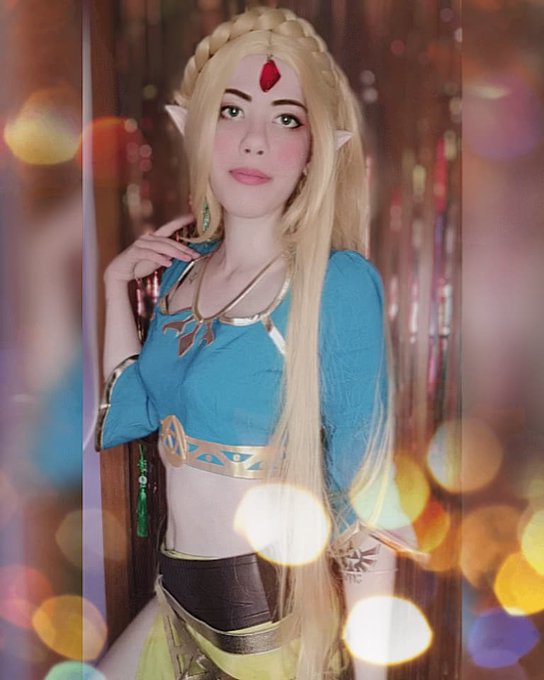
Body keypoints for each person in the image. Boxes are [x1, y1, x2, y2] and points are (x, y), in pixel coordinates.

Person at [95, 6, 411, 679]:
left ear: (317, 149)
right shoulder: (183, 274)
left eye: (287, 119)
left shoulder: (334, 284)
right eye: (232, 111)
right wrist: (114, 286)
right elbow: (137, 404)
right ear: (195, 128)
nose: (256, 142)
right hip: (173, 601)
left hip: (267, 637)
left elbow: (369, 501)